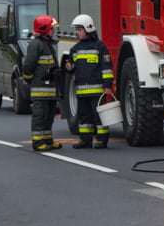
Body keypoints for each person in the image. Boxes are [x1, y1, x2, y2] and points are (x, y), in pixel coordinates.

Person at [66, 14, 114, 149]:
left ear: (88, 28)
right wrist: (69, 66)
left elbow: (106, 68)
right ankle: (85, 140)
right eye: (77, 29)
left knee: (99, 117)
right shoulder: (75, 49)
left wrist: (107, 86)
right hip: (81, 91)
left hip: (97, 90)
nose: (77, 32)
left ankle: (101, 140)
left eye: (79, 29)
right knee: (84, 117)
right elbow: (71, 66)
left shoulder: (100, 47)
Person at [22, 15, 62, 151]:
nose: (53, 31)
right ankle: (38, 143)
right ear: (44, 29)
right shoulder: (36, 44)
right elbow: (28, 66)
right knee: (40, 116)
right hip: (40, 89)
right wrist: (29, 79)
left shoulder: (48, 44)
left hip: (50, 89)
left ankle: (47, 140)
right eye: (52, 28)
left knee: (49, 116)